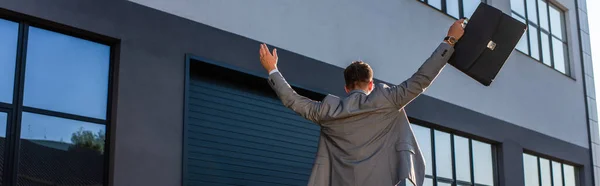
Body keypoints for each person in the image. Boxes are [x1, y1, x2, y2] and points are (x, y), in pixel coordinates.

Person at [259, 19, 466, 186]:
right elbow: (421, 79)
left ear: (346, 88)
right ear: (371, 85)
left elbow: (293, 100)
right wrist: (449, 40)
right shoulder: (388, 100)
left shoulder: (327, 111)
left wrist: (272, 69)